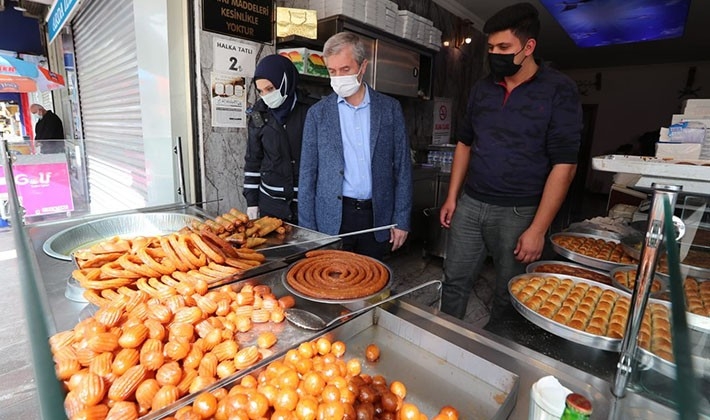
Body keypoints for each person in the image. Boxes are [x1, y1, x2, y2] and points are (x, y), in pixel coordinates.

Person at [439, 3, 582, 321]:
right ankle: (445, 341)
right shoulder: (482, 89)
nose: (495, 55)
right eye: (491, 48)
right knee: (454, 280)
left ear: (529, 47)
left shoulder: (559, 90)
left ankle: (496, 356)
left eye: (504, 47)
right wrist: (452, 197)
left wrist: (538, 229)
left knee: (510, 291)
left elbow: (565, 165)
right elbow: (464, 142)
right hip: (472, 203)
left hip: (520, 212)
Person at [298, 32, 413, 260]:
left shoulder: (389, 109)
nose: (338, 77)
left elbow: (402, 167)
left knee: (373, 288)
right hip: (332, 218)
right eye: (332, 71)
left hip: (377, 217)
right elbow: (307, 175)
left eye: (346, 69)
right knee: (332, 288)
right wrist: (308, 232)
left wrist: (402, 220)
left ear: (363, 66)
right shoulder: (318, 114)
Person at [243, 54, 312, 223]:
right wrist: (252, 201)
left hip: (304, 203)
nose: (265, 96)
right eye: (260, 91)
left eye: (270, 88)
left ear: (285, 82)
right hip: (270, 203)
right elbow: (253, 159)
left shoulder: (311, 111)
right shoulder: (258, 114)